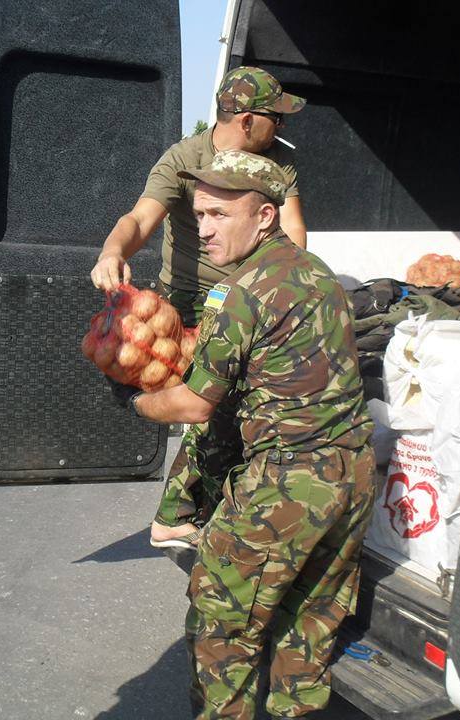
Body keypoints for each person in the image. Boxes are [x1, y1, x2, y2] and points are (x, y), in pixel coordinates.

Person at [117, 150, 376, 719]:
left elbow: (194, 404)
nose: (204, 229)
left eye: (219, 214)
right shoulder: (319, 274)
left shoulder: (245, 291)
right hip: (353, 476)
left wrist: (136, 402)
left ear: (264, 217)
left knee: (221, 630)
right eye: (198, 214)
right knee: (308, 629)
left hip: (289, 484)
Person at [91, 66, 308, 549]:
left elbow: (294, 230)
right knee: (210, 403)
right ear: (247, 120)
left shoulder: (277, 161)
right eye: (276, 117)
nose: (282, 127)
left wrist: (288, 289)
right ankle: (184, 515)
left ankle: (198, 511)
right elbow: (140, 218)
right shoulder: (185, 159)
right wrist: (112, 252)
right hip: (193, 302)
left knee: (239, 405)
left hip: (254, 296)